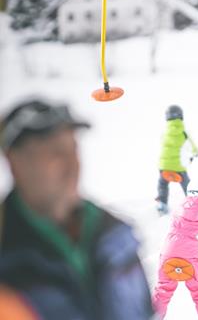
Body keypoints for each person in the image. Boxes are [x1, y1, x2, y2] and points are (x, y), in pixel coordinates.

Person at [0, 99, 155, 320]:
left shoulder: (116, 238)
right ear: (15, 162)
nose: (72, 164)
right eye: (55, 153)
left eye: (73, 148)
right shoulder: (8, 254)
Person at [152, 178, 198, 320]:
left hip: (167, 253)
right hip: (190, 258)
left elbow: (187, 218)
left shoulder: (178, 207)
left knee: (163, 290)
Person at [156, 105, 198, 215]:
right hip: (178, 167)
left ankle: (162, 203)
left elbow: (162, 144)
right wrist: (195, 153)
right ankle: (193, 205)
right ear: (181, 116)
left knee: (162, 185)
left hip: (163, 166)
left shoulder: (164, 132)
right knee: (187, 185)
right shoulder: (184, 133)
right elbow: (193, 148)